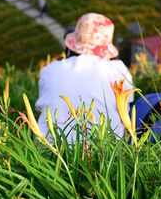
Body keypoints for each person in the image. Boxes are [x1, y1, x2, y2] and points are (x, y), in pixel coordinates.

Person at [35, 13, 134, 144]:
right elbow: (125, 114)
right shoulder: (118, 70)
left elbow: (43, 107)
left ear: (72, 44)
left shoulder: (49, 70)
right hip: (106, 151)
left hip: (48, 150)